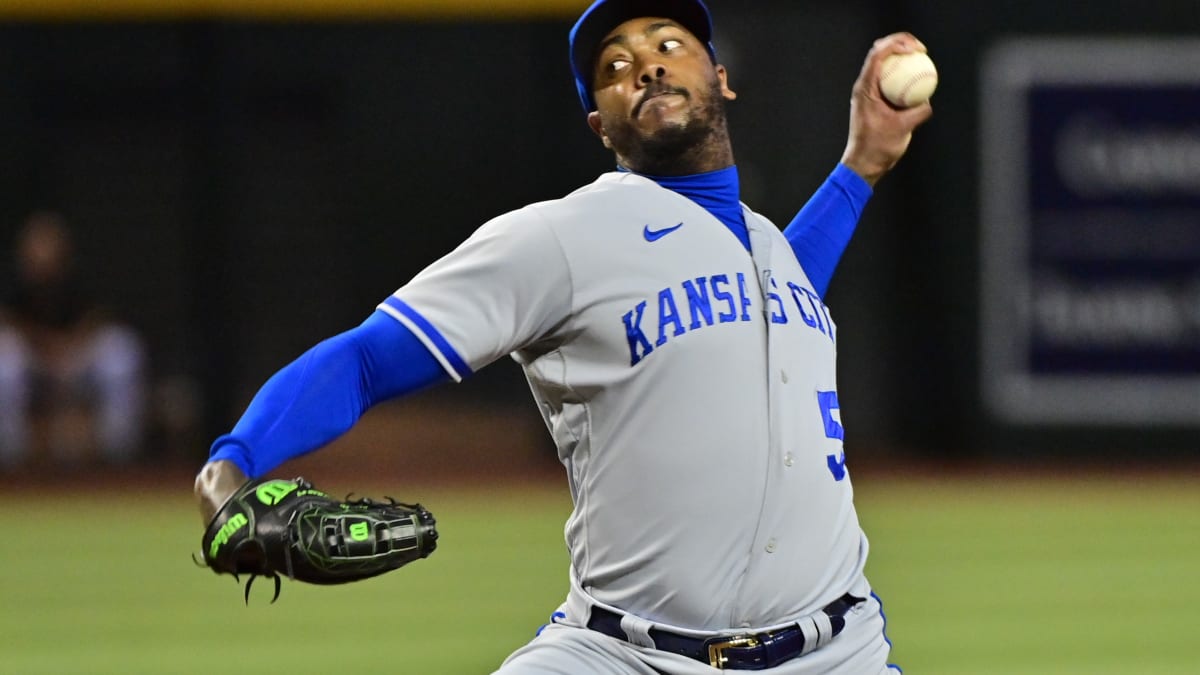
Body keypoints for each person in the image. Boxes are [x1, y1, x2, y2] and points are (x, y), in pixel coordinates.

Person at [194, 0, 931, 672]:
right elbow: (363, 358)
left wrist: (861, 166)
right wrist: (227, 471)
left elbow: (776, 288)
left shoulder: (769, 251)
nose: (646, 62)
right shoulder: (559, 239)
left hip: (839, 652)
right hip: (620, 654)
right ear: (599, 125)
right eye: (614, 67)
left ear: (722, 79)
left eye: (670, 43)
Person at [0, 210, 148, 468]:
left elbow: (100, 317)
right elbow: (10, 322)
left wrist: (67, 349)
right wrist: (48, 349)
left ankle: (117, 457)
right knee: (6, 362)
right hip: (34, 360)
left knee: (119, 353)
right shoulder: (15, 283)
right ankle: (14, 460)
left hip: (76, 356)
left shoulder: (78, 279)